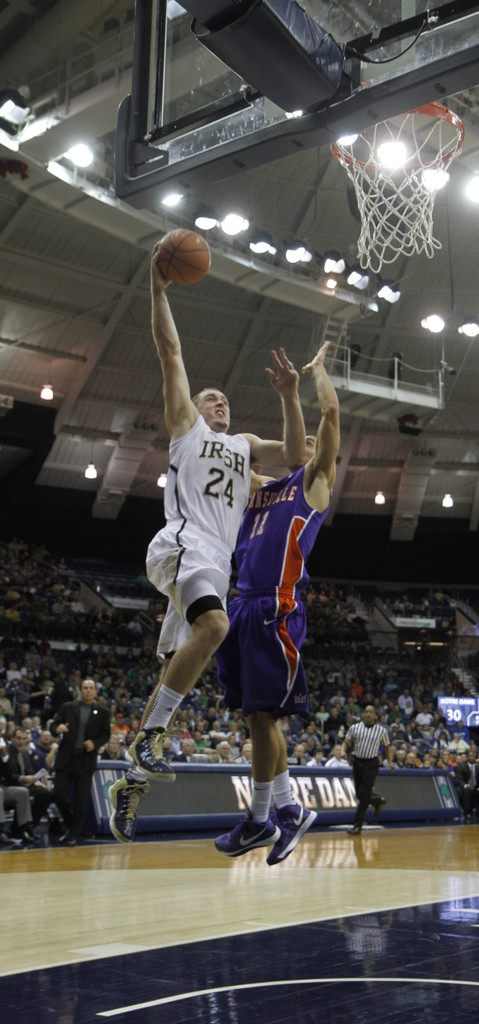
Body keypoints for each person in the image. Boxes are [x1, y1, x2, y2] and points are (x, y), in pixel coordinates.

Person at [108, 243, 306, 842]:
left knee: (179, 666)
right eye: (210, 397)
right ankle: (149, 739)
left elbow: (296, 458)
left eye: (225, 399)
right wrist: (157, 288)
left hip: (216, 568)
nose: (219, 402)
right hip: (182, 544)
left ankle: (130, 781)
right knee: (215, 628)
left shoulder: (245, 449)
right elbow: (170, 351)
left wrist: (290, 396)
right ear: (193, 409)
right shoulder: (187, 430)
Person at [211, 340, 339, 864]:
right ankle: (283, 813)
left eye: (310, 441)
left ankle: (263, 818)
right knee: (257, 719)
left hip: (275, 605)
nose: (304, 442)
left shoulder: (312, 484)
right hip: (241, 605)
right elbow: (225, 461)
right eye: (298, 439)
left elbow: (329, 416)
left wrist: (315, 376)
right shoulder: (261, 488)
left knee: (262, 717)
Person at [50, 678, 111, 846]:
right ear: (80, 690)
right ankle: (71, 824)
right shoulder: (68, 707)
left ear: (95, 691)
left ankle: (73, 835)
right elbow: (54, 724)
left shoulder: (102, 712)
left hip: (85, 760)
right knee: (58, 794)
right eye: (85, 687)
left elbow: (106, 734)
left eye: (91, 688)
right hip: (66, 758)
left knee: (81, 800)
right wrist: (57, 728)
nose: (88, 690)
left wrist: (95, 743)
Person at [343, 705, 396, 835]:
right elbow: (346, 741)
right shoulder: (355, 728)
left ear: (375, 716)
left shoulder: (381, 730)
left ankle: (357, 825)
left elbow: (387, 746)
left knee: (364, 794)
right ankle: (377, 801)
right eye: (366, 712)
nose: (368, 714)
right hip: (357, 762)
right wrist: (343, 751)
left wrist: (390, 762)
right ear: (362, 714)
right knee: (359, 794)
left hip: (371, 763)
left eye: (371, 712)